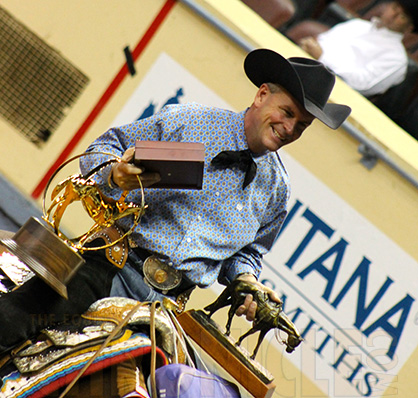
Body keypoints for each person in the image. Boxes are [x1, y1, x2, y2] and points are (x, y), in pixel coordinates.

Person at [0, 49, 350, 381]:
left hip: (165, 311)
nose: (290, 129)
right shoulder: (192, 123)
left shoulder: (277, 190)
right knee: (11, 320)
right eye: (287, 113)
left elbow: (248, 253)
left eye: (301, 126)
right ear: (261, 95)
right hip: (111, 266)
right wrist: (115, 173)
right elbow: (104, 149)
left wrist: (247, 281)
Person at [298, 0, 418, 97]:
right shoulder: (358, 25)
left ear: (409, 27)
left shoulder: (397, 59)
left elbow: (362, 85)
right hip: (305, 68)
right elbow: (321, 41)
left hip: (331, 93)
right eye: (394, 8)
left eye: (401, 16)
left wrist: (322, 57)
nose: (393, 15)